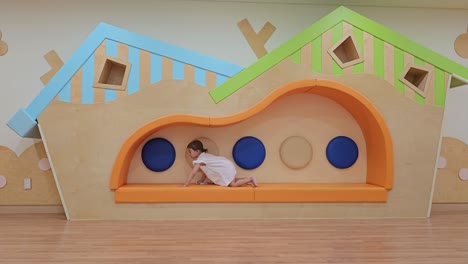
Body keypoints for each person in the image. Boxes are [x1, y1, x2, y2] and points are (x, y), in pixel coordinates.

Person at [180, 140, 258, 187]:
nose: (189, 154)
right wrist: (201, 181)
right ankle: (248, 180)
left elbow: (193, 173)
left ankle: (251, 178)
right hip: (226, 164)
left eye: (190, 151)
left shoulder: (201, 159)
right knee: (230, 181)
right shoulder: (204, 157)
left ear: (197, 151)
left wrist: (186, 184)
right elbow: (206, 171)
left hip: (225, 167)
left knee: (232, 184)